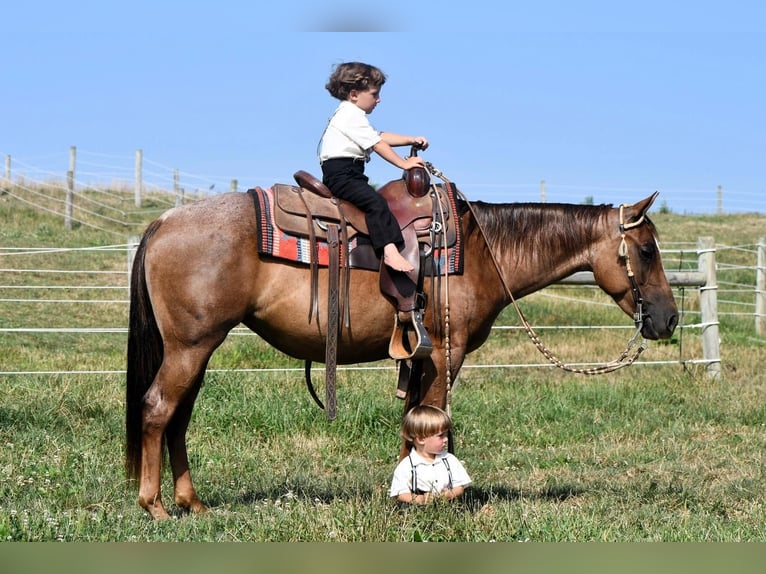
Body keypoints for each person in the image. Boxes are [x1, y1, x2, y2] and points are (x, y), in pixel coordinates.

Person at [318, 62, 429, 273]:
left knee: (371, 200)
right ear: (354, 94)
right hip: (343, 174)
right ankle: (389, 251)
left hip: (347, 173)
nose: (378, 99)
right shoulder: (350, 115)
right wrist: (404, 163)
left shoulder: (351, 115)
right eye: (374, 94)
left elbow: (379, 136)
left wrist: (410, 139)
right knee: (375, 203)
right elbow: (377, 144)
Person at [389, 405, 472, 504]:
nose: (446, 439)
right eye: (441, 436)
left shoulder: (449, 460)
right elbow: (400, 493)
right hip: (417, 512)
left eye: (446, 434)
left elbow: (460, 486)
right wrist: (420, 499)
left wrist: (448, 495)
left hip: (448, 505)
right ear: (421, 439)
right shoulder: (407, 465)